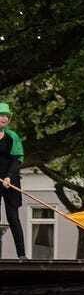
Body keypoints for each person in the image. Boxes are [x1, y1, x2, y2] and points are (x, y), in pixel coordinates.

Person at [0, 103, 24, 258]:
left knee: (13, 217)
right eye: (1, 115)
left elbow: (17, 159)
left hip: (10, 181)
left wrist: (8, 176)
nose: (4, 118)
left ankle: (21, 255)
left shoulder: (12, 137)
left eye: (6, 116)